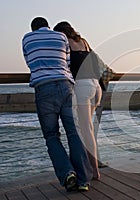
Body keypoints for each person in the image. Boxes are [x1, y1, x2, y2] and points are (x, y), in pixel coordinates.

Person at [22, 17, 92, 191]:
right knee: (74, 133)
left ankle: (67, 173)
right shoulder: (60, 37)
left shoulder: (27, 38)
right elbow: (67, 63)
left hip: (43, 89)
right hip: (65, 86)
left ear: (33, 29)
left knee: (52, 136)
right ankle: (83, 180)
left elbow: (29, 62)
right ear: (47, 26)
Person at [54, 21, 102, 181]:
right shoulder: (84, 42)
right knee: (86, 129)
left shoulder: (65, 42)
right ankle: (88, 166)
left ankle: (94, 171)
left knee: (85, 131)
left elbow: (64, 65)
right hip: (96, 86)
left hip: (82, 86)